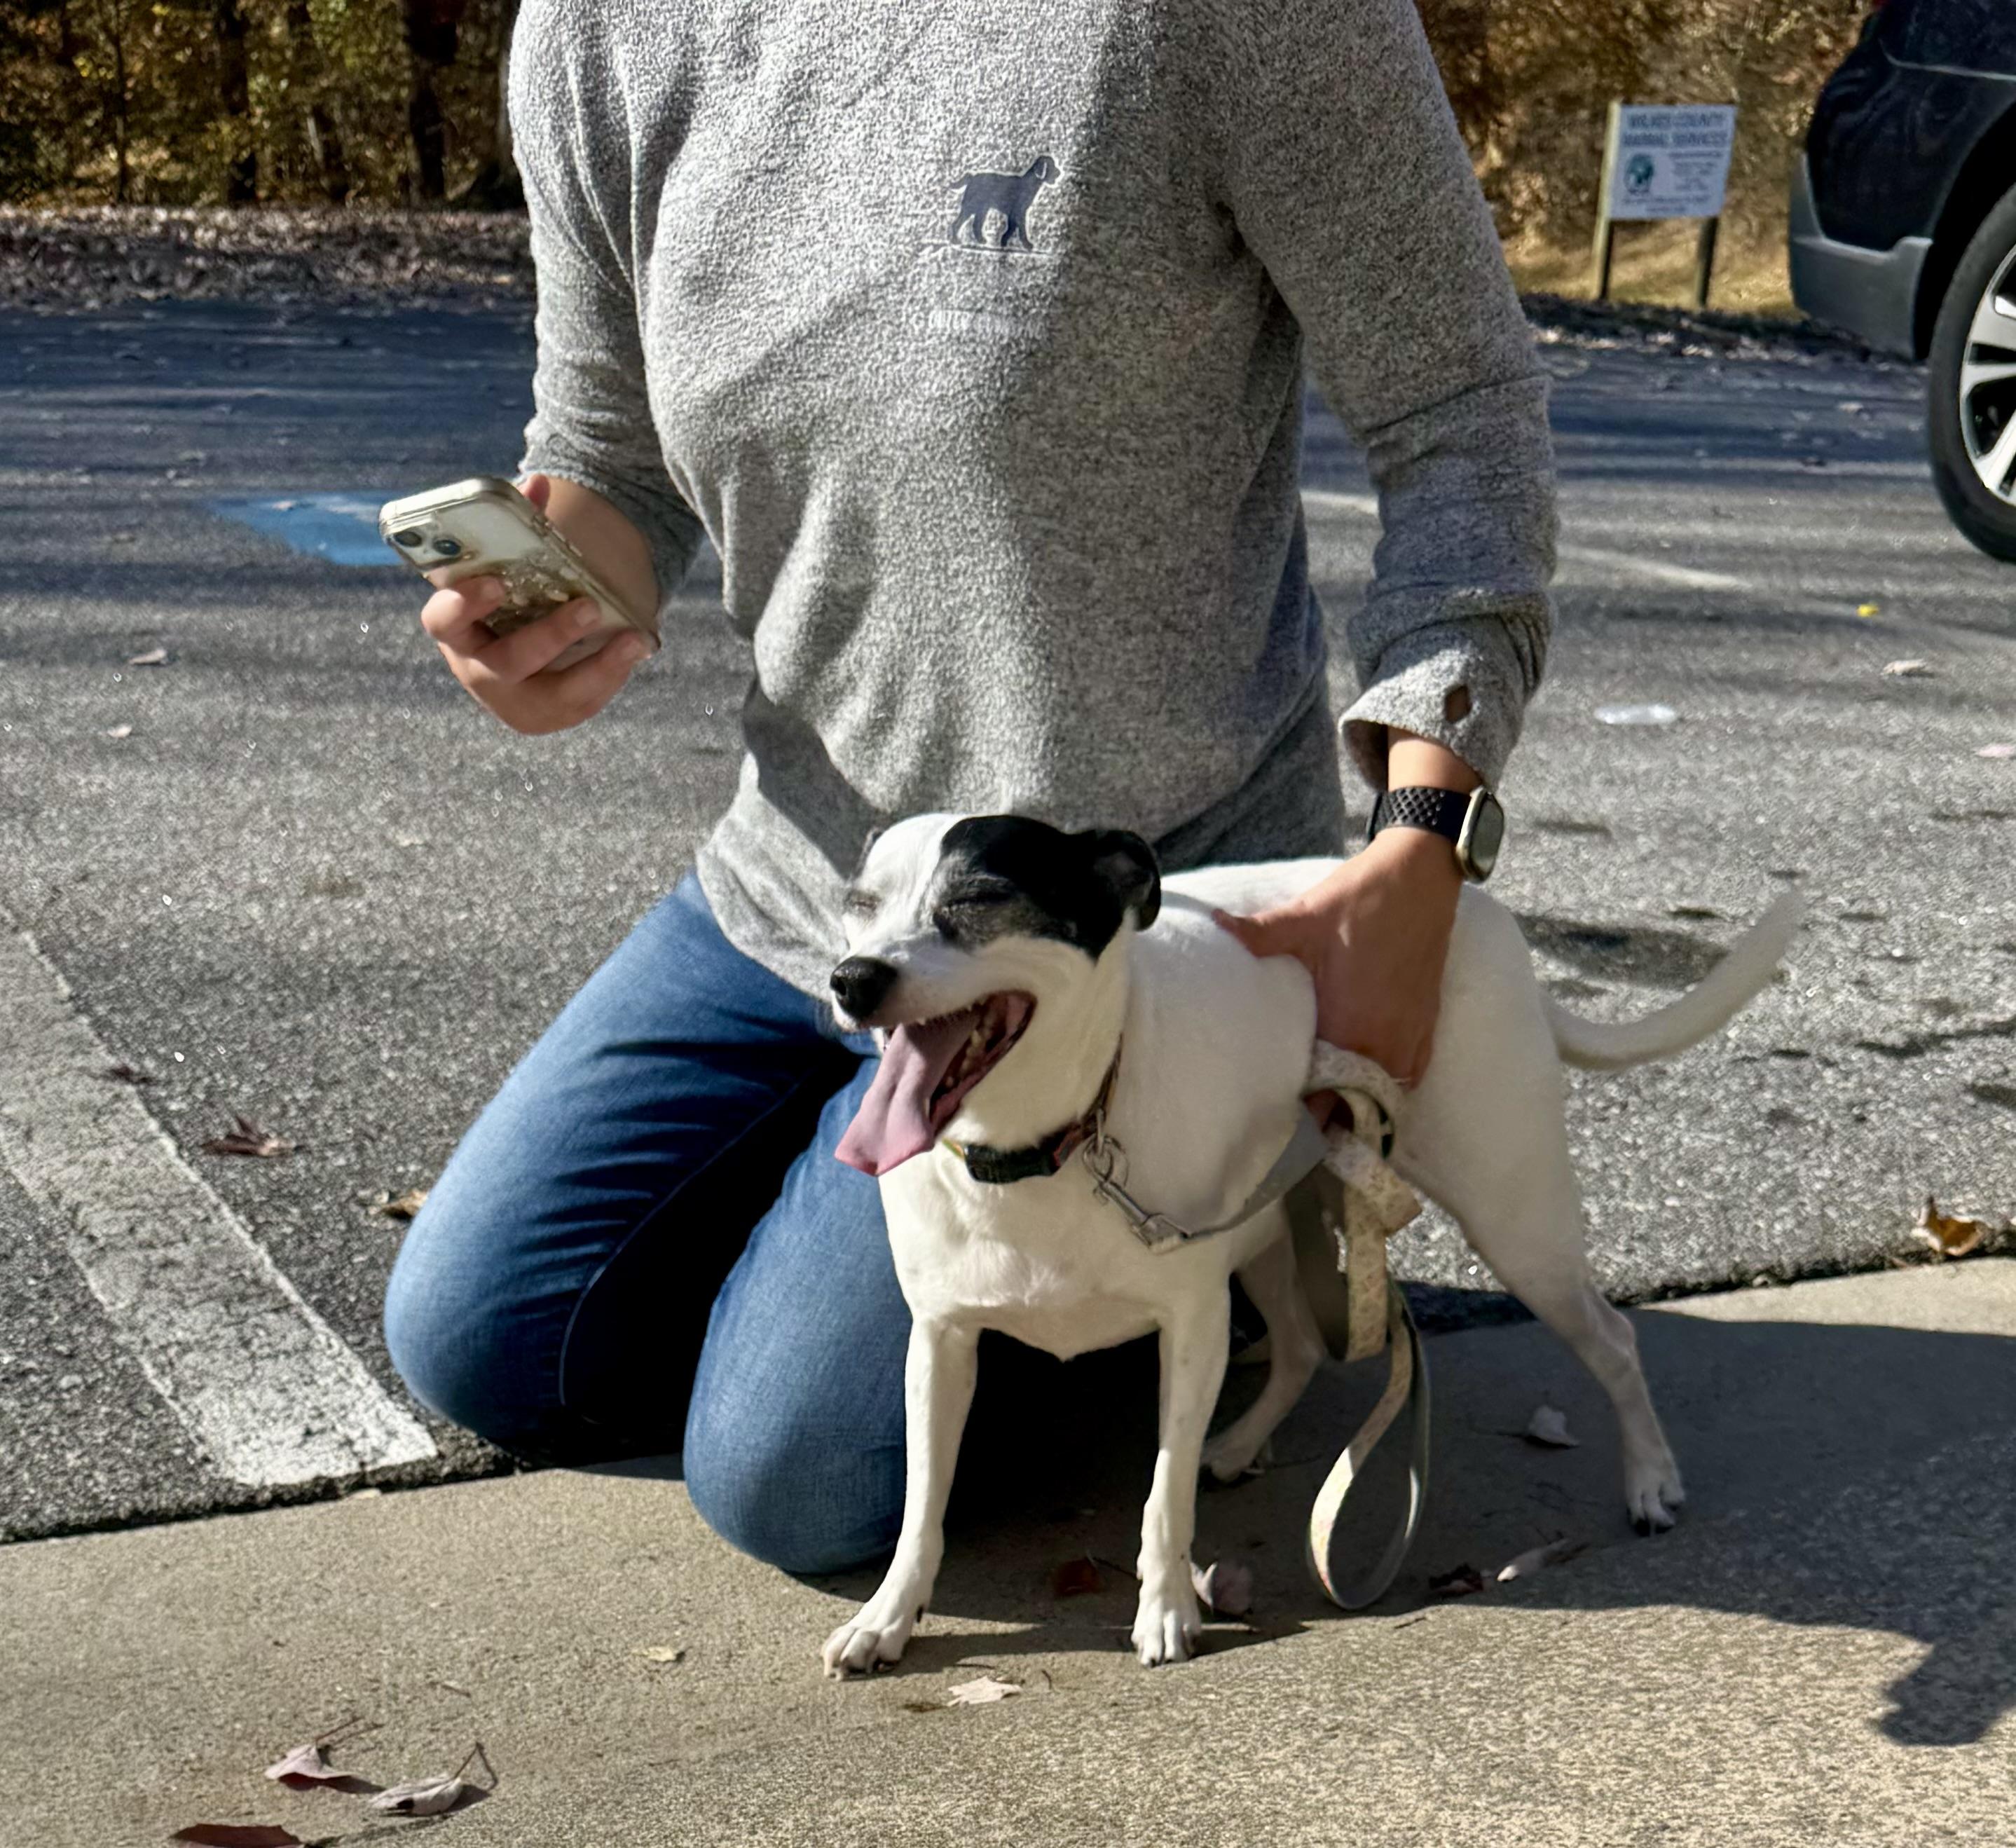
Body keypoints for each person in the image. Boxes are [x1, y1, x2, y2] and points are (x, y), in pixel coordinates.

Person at [383, 0, 1556, 1574]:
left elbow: (1458, 416)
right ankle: (1027, 1239)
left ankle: (1191, 1241)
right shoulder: (598, 29)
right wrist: (551, 599)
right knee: (487, 1342)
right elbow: (610, 445)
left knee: (791, 1481)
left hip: (1115, 929)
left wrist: (1417, 853)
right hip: (813, 880)